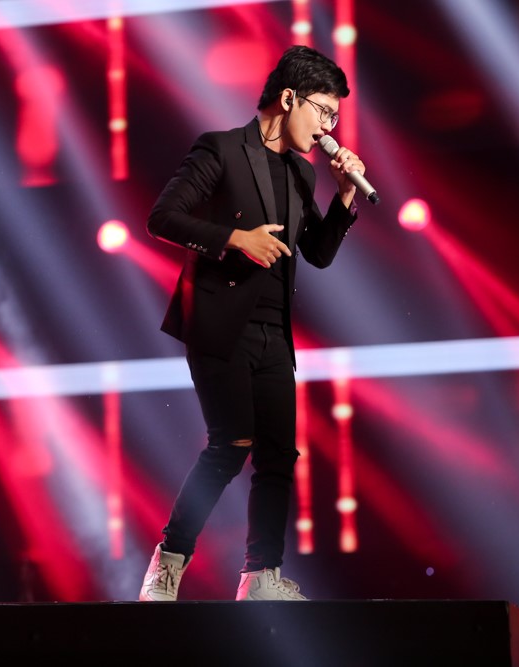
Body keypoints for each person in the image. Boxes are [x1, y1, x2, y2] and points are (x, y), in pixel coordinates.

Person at [139, 45, 366, 602]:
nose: (329, 127)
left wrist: (344, 196)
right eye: (324, 111)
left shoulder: (301, 172)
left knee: (278, 456)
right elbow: (162, 217)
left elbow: (317, 254)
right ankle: (169, 560)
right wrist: (234, 239)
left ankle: (261, 576)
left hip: (274, 331)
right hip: (219, 322)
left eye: (335, 117)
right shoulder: (220, 149)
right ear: (289, 99)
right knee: (230, 444)